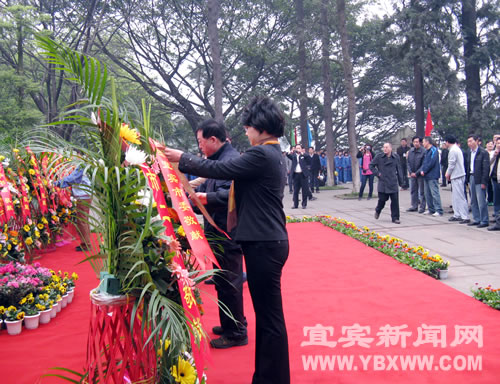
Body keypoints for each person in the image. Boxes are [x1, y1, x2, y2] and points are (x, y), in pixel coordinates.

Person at [162, 96, 290, 384]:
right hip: (267, 241)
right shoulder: (270, 153)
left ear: (260, 126)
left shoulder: (262, 154)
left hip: (264, 243)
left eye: (248, 126)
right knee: (269, 317)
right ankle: (266, 376)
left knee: (270, 320)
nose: (245, 131)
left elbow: (219, 170)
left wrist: (181, 157)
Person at [192, 118, 247, 349]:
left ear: (213, 139)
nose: (200, 147)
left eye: (201, 142)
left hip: (228, 234)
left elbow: (225, 197)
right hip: (218, 232)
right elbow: (203, 192)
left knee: (231, 283)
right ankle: (229, 324)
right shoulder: (216, 161)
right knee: (223, 282)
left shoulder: (230, 161)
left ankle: (236, 332)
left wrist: (199, 200)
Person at [57, 167, 92, 251]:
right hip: (86, 196)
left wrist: (56, 183)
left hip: (83, 196)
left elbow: (71, 179)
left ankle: (86, 245)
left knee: (82, 221)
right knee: (84, 220)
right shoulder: (85, 165)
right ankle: (86, 243)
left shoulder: (80, 166)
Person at [370, 143, 404, 224]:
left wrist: (401, 181)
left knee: (395, 201)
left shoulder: (395, 157)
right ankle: (378, 210)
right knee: (382, 200)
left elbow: (399, 169)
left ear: (391, 148)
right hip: (383, 181)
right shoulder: (379, 156)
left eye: (387, 147)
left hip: (393, 182)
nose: (385, 149)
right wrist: (378, 174)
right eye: (384, 147)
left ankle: (395, 218)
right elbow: (371, 166)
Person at [466, 134, 490, 228]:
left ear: (477, 141)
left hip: (480, 178)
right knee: (473, 200)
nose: (469, 143)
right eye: (468, 141)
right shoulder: (469, 152)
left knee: (481, 201)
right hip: (471, 177)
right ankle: (477, 219)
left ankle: (484, 220)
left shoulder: (483, 152)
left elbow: (486, 168)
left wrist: (484, 182)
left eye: (471, 141)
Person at [444, 135, 469, 224]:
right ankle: (457, 214)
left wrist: (447, 173)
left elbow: (451, 164)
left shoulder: (453, 150)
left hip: (458, 175)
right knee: (455, 197)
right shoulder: (456, 149)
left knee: (460, 197)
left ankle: (464, 216)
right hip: (457, 175)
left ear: (447, 142)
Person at [419, 136, 444, 217]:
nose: (422, 144)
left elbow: (431, 162)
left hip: (432, 175)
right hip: (426, 175)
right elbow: (424, 162)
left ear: (427, 142)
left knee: (434, 193)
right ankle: (431, 209)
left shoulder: (434, 150)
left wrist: (424, 170)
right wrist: (422, 170)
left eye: (423, 142)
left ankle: (439, 210)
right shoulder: (426, 151)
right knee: (427, 193)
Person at [288, 143, 311, 209]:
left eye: (299, 148)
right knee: (295, 191)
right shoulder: (294, 156)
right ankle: (295, 204)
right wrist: (291, 152)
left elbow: (309, 159)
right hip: (296, 175)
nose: (298, 149)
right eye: (296, 148)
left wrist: (303, 153)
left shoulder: (304, 156)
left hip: (303, 175)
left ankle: (304, 204)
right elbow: (288, 155)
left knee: (304, 190)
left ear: (301, 149)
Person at [406, 136, 426, 213]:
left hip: (420, 174)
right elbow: (408, 163)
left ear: (420, 142)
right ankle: (414, 206)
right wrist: (411, 172)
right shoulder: (410, 151)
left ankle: (422, 207)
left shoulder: (423, 151)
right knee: (413, 190)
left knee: (422, 191)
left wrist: (417, 173)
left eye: (417, 142)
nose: (416, 143)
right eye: (414, 142)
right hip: (412, 174)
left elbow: (423, 164)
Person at [488, 136, 500, 231]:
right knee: (496, 201)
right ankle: (497, 221)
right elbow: (489, 163)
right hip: (495, 179)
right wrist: (494, 155)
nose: (498, 145)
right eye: (497, 143)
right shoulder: (494, 153)